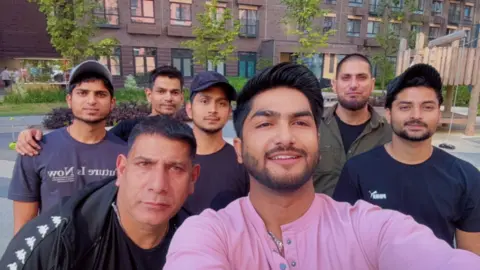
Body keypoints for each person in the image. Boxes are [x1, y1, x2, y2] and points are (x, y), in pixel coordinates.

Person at [163, 62, 480, 269]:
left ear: (317, 140)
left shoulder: (367, 227)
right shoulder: (206, 234)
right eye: (265, 124)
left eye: (300, 122)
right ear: (240, 149)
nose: (285, 137)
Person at [0, 116, 199, 269]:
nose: (158, 185)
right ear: (121, 169)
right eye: (144, 164)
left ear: (193, 178)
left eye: (176, 168)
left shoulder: (199, 242)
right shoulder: (57, 241)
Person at [333, 64, 480, 255]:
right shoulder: (357, 170)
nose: (416, 115)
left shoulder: (466, 178)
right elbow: (342, 245)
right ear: (388, 113)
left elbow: (470, 257)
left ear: (438, 112)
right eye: (405, 107)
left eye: (427, 107)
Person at [7, 60, 127, 234]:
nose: (91, 101)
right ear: (69, 100)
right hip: (53, 255)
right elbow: (24, 226)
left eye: (100, 94)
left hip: (107, 255)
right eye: (83, 93)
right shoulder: (35, 150)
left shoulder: (126, 154)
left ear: (112, 102)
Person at [14, 65, 185, 154]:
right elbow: (88, 137)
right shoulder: (128, 129)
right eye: (161, 91)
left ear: (182, 96)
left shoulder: (188, 134)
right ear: (149, 94)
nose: (168, 98)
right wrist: (30, 136)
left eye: (174, 92)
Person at [313, 53, 392, 196]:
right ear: (334, 85)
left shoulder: (389, 135)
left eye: (361, 77)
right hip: (318, 216)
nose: (354, 85)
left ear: (372, 84)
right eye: (346, 77)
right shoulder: (313, 126)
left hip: (367, 217)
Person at [183, 71, 249, 214]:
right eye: (204, 101)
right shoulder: (173, 159)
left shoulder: (242, 162)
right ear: (189, 109)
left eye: (221, 103)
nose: (213, 110)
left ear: (229, 111)